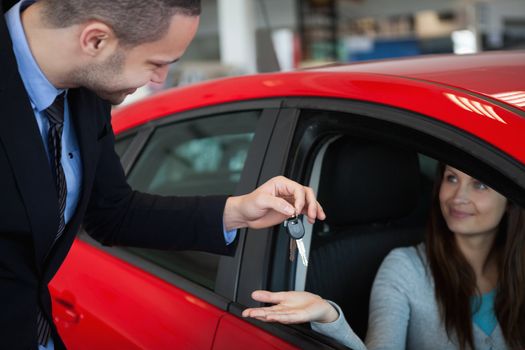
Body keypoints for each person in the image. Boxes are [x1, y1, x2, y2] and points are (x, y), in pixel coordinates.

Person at [0, 1, 326, 349]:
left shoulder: (88, 88)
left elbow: (112, 213)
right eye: (156, 63)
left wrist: (238, 210)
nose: (160, 79)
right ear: (95, 40)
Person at [243, 164, 525, 350]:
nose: (457, 197)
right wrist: (329, 317)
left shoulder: (519, 269)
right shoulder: (405, 269)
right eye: (452, 178)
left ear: (511, 200)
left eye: (480, 185)